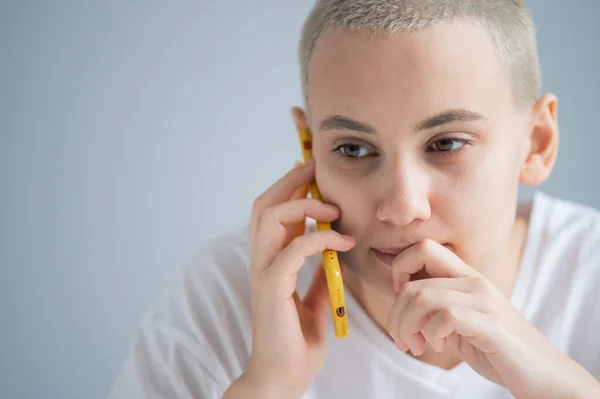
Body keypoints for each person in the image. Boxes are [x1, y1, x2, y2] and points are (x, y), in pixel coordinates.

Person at [108, 1, 600, 398]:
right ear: (309, 147)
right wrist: (268, 387)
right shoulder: (227, 294)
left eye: (447, 143)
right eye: (354, 149)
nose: (404, 207)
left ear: (536, 142)